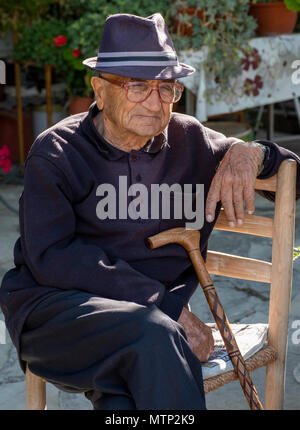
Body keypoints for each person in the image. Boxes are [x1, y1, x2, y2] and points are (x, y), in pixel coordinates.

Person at [0, 12, 299, 411]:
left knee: (132, 385)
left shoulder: (191, 141)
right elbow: (52, 258)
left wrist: (252, 151)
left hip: (148, 333)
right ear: (100, 90)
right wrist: (164, 304)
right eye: (137, 86)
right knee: (155, 338)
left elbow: (290, 172)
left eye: (166, 88)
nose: (155, 102)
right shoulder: (56, 153)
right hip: (56, 313)